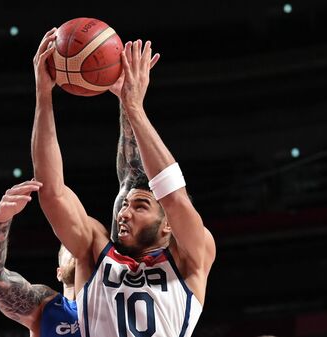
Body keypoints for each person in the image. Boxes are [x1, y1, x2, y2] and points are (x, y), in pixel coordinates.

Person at [31, 28, 216, 337]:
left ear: (167, 225)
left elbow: (174, 197)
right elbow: (51, 192)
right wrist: (43, 96)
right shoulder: (92, 246)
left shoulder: (189, 257)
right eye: (125, 205)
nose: (123, 213)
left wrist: (133, 107)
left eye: (140, 205)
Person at [0, 180, 81, 337]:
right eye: (68, 245)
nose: (76, 250)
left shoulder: (115, 301)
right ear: (59, 272)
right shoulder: (46, 305)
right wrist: (0, 219)